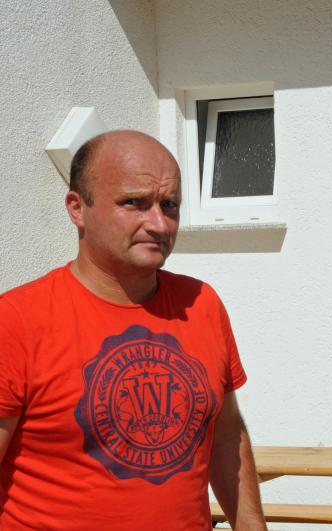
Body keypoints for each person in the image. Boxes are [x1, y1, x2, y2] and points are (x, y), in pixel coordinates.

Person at [0, 131, 267, 530]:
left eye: (169, 204)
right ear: (77, 208)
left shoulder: (201, 304)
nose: (158, 223)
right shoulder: (17, 320)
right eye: (133, 203)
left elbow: (226, 436)